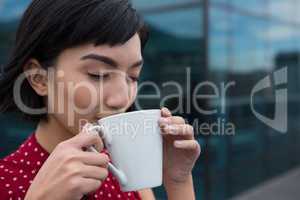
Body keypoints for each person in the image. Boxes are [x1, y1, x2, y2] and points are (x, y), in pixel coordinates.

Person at [0, 0, 201, 199]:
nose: (122, 99)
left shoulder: (122, 167)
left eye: (133, 76)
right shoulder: (7, 183)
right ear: (39, 78)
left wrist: (178, 181)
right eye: (98, 74)